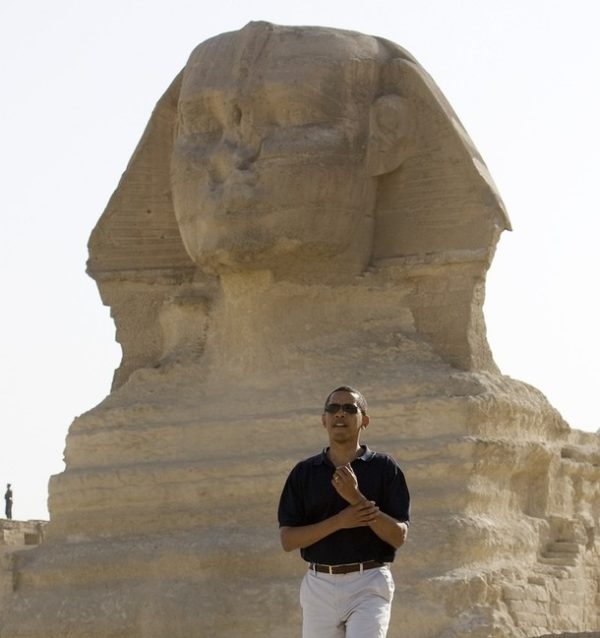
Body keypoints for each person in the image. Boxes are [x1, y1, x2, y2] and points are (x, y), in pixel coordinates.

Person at [278, 386, 410, 637]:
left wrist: (355, 497)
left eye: (350, 408)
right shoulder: (304, 473)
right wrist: (339, 521)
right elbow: (288, 540)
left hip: (369, 582)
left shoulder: (385, 468)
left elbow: (398, 536)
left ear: (365, 421)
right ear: (324, 420)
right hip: (319, 585)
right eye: (333, 408)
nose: (340, 414)